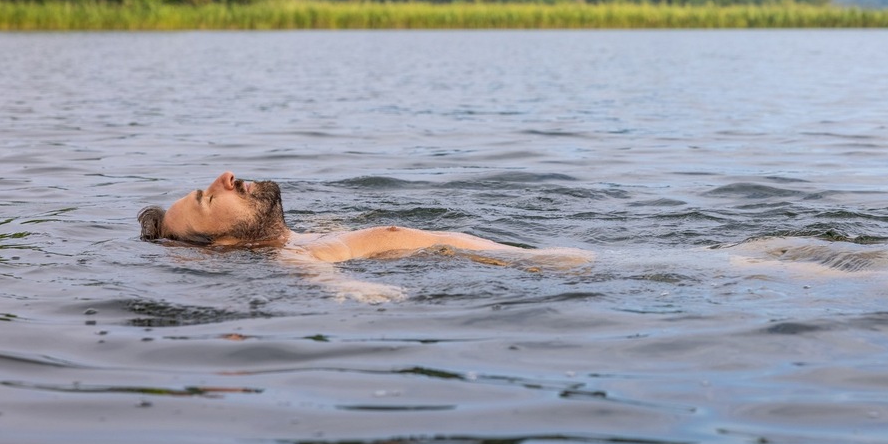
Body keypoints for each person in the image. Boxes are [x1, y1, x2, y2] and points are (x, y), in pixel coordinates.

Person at [138, 170, 583, 266]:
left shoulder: (305, 235)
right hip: (532, 267)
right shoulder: (294, 254)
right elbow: (311, 270)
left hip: (522, 258)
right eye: (209, 200)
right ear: (226, 243)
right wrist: (355, 289)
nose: (225, 177)